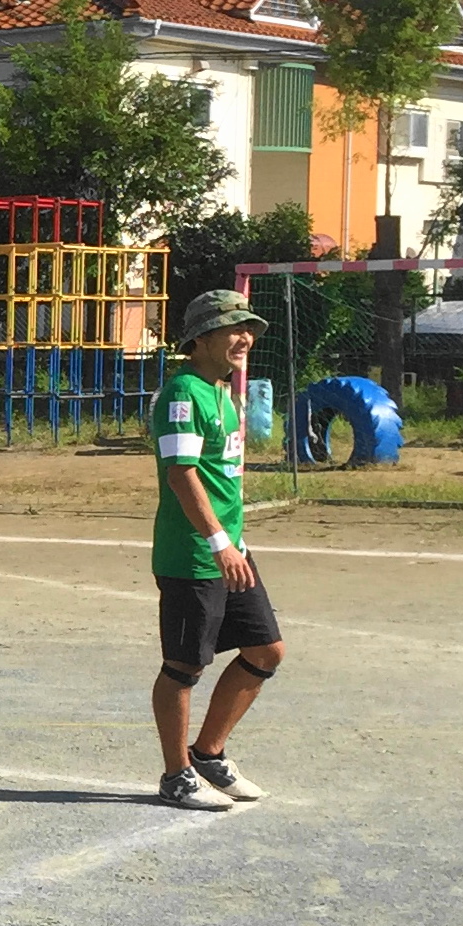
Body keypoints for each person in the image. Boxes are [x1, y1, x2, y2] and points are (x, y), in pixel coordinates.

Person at [149, 289, 287, 811]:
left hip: (231, 549)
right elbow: (181, 474)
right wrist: (217, 542)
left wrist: (234, 542)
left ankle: (208, 754)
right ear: (202, 338)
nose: (245, 337)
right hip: (194, 553)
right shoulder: (184, 393)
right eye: (234, 328)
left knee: (265, 651)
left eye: (249, 328)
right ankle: (176, 776)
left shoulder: (222, 392)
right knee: (184, 666)